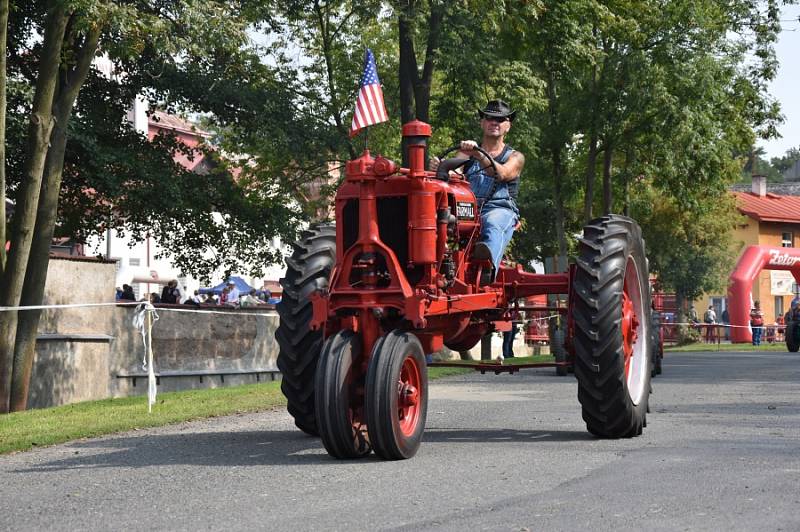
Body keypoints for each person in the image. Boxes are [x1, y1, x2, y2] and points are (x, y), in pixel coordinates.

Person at [430, 100, 525, 284]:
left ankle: (486, 270)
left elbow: (501, 173)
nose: (494, 122)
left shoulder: (515, 157)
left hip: (500, 208)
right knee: (435, 222)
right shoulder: (467, 154)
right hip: (467, 211)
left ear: (508, 126)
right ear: (482, 122)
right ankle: (435, 270)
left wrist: (478, 154)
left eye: (500, 119)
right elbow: (453, 175)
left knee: (492, 222)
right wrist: (440, 169)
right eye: (489, 117)